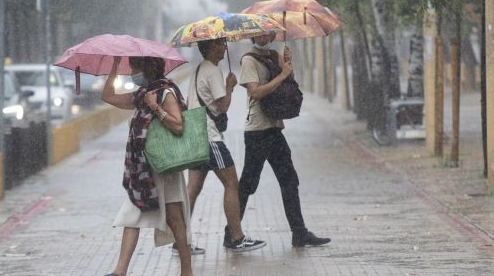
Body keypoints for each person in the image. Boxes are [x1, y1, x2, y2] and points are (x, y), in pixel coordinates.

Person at [237, 32, 331, 247]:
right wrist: (281, 75)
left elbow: (288, 85)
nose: (263, 37)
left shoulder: (273, 55)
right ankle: (231, 232)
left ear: (272, 33)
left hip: (274, 129)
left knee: (289, 180)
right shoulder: (248, 60)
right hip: (257, 131)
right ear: (253, 35)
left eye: (267, 33)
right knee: (248, 184)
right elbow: (256, 93)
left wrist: (287, 65)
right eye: (258, 34)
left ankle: (299, 233)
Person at [101, 56, 193, 276]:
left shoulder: (165, 92)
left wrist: (155, 108)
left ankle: (187, 271)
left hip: (165, 166)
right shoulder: (142, 95)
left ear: (146, 68)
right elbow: (107, 96)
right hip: (144, 170)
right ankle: (120, 271)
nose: (132, 74)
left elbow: (179, 126)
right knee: (132, 212)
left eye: (134, 68)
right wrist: (113, 67)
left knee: (174, 218)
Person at [185, 38, 266, 252]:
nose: (224, 47)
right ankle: (236, 237)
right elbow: (222, 106)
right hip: (210, 138)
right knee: (232, 184)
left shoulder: (198, 70)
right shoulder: (212, 70)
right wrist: (230, 87)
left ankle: (180, 240)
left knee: (192, 189)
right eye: (220, 44)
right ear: (209, 47)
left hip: (195, 136)